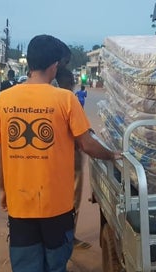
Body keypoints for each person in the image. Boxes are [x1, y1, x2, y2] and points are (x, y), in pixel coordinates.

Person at [0, 34, 121, 272]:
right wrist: (111, 154)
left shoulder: (4, 100)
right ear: (54, 65)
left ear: (29, 63)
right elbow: (87, 144)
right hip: (57, 206)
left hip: (20, 202)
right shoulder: (65, 99)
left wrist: (2, 189)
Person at [55, 67, 92, 250]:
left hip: (54, 162)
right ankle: (68, 239)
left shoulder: (50, 101)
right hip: (72, 160)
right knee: (72, 200)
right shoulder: (70, 101)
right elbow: (85, 139)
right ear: (70, 84)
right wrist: (110, 154)